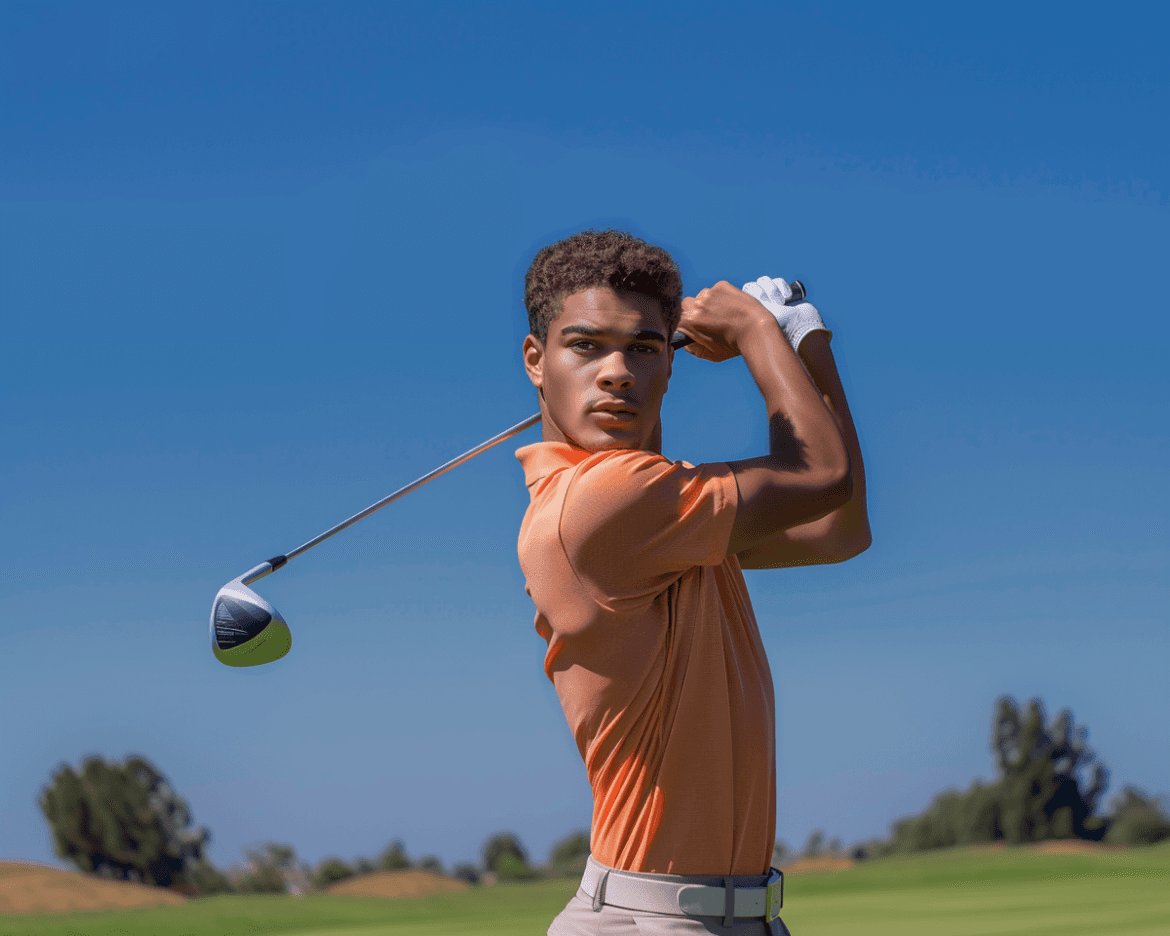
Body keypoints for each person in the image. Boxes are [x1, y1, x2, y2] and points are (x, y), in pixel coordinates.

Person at [515, 229, 870, 935]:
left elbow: (839, 526)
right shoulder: (600, 505)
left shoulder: (669, 520)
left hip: (746, 918)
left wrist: (801, 340)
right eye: (585, 345)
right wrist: (755, 330)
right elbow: (820, 476)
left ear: (669, 368)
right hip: (649, 920)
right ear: (536, 360)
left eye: (644, 348)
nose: (616, 371)